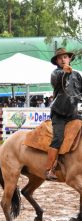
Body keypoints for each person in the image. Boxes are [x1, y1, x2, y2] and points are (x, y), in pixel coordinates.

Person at [45, 48, 82, 180]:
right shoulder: (55, 74)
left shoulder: (77, 75)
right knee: (58, 138)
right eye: (60, 58)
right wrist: (65, 73)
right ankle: (49, 169)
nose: (63, 59)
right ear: (57, 61)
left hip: (72, 113)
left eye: (65, 57)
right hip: (59, 113)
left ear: (69, 59)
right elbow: (58, 84)